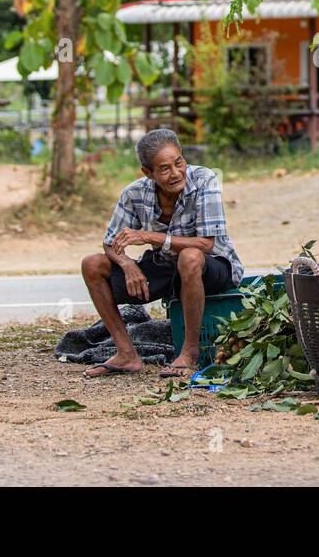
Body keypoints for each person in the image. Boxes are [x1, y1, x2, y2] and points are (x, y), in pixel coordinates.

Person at [79, 129, 243, 378]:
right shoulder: (134, 193)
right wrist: (126, 264)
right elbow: (110, 242)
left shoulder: (204, 180)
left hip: (212, 267)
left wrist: (149, 236)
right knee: (92, 264)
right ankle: (126, 354)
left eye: (179, 163)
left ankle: (189, 353)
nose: (176, 173)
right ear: (148, 173)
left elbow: (206, 245)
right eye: (165, 169)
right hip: (165, 267)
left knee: (189, 256)